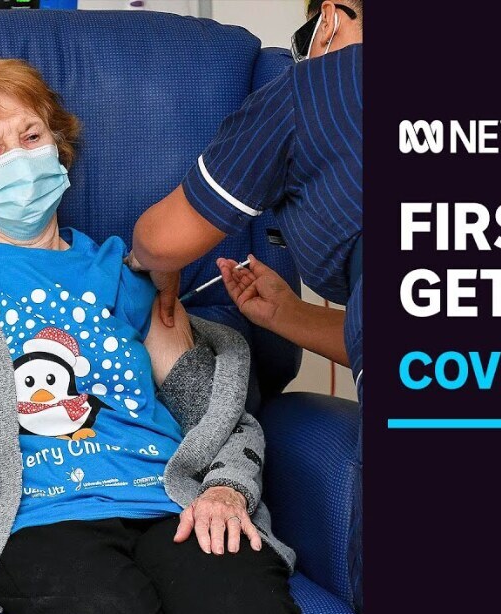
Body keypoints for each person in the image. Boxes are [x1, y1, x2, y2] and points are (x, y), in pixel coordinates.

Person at [0, 57, 299, 614]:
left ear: (58, 149)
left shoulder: (125, 273)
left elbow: (214, 414)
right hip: (35, 521)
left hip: (169, 501)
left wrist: (226, 488)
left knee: (245, 610)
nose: (19, 158)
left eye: (31, 137)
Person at [131, 0, 364, 404]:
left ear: (328, 21)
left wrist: (147, 259)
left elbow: (161, 242)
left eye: (303, 42)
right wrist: (288, 314)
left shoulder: (317, 85)